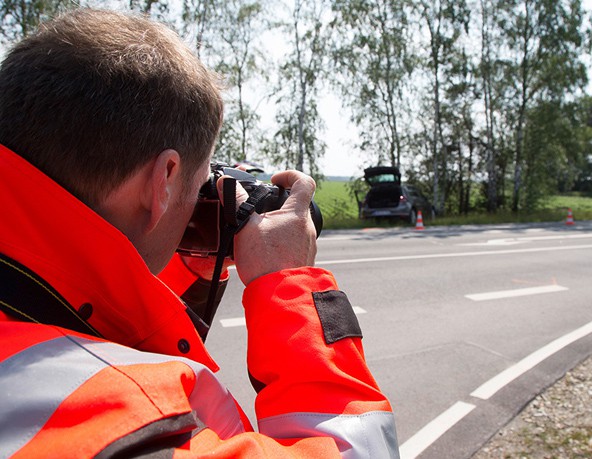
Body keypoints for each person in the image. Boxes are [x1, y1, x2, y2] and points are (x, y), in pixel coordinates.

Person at [0, 8, 398, 458]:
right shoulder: (133, 421)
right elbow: (357, 449)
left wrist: (188, 271)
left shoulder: (27, 313)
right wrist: (287, 284)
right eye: (199, 181)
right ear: (164, 179)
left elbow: (70, 312)